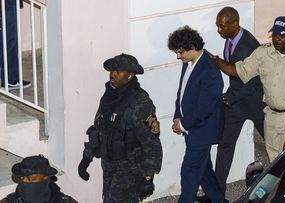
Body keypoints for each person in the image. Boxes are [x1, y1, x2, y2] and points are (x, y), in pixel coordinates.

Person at [207, 16, 285, 162]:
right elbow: (240, 71)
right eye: (274, 34)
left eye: (281, 35)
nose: (276, 39)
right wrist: (217, 61)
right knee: (275, 161)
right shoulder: (263, 53)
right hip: (270, 116)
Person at [196, 7, 264, 202]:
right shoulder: (230, 39)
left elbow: (255, 83)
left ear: (235, 24)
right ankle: (216, 194)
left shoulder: (249, 45)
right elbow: (232, 70)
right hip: (236, 104)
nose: (218, 30)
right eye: (217, 25)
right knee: (225, 146)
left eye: (222, 26)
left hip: (255, 103)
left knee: (274, 147)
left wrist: (230, 97)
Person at [77, 53, 162, 203]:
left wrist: (148, 177)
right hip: (108, 163)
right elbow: (98, 129)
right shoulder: (109, 96)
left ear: (130, 75)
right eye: (112, 70)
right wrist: (86, 158)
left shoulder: (140, 102)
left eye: (119, 71)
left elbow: (151, 143)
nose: (113, 74)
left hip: (130, 167)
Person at [168, 25, 228, 203]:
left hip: (203, 131)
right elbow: (182, 92)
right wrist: (178, 116)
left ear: (192, 48)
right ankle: (219, 200)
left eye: (180, 52)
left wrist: (184, 124)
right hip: (192, 128)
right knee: (204, 170)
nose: (179, 56)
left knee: (190, 172)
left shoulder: (210, 71)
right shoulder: (189, 63)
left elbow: (205, 109)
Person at [0, 155, 77, 203]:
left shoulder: (66, 201)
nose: (25, 181)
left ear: (46, 178)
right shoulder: (8, 202)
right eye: (22, 178)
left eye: (32, 178)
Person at [0, 0, 31, 89]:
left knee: (9, 42)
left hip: (8, 5)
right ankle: (10, 80)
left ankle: (11, 78)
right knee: (10, 43)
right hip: (7, 5)